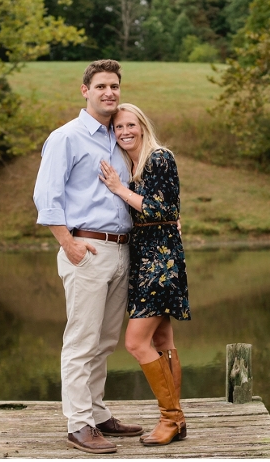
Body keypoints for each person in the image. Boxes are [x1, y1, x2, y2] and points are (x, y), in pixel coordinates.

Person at [33, 60, 143, 455]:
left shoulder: (120, 137)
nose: (109, 92)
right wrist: (69, 244)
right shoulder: (66, 137)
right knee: (81, 341)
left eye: (114, 86)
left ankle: (97, 413)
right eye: (101, 86)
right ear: (85, 91)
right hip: (87, 249)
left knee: (105, 340)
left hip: (121, 249)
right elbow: (46, 197)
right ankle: (79, 424)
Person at [99, 103, 191, 446]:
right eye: (118, 127)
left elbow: (162, 207)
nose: (125, 131)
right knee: (162, 340)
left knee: (136, 343)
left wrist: (119, 189)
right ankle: (176, 420)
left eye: (130, 125)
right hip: (143, 258)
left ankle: (171, 418)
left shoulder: (159, 157)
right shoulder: (131, 164)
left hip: (160, 261)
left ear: (142, 126)